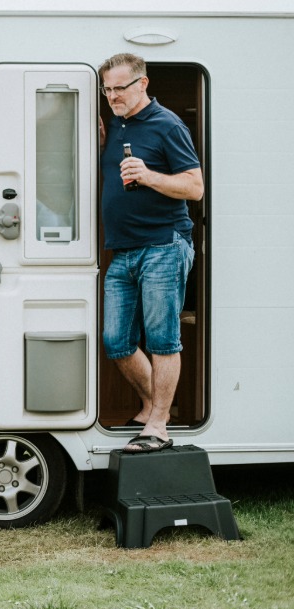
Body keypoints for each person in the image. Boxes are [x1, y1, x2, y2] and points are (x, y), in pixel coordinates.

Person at [98, 53, 203, 453]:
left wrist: (148, 175)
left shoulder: (167, 125)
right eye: (106, 89)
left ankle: (158, 425)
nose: (111, 96)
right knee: (117, 341)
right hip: (123, 252)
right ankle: (153, 407)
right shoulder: (116, 124)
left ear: (142, 84)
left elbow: (194, 187)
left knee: (163, 339)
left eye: (119, 88)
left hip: (164, 244)